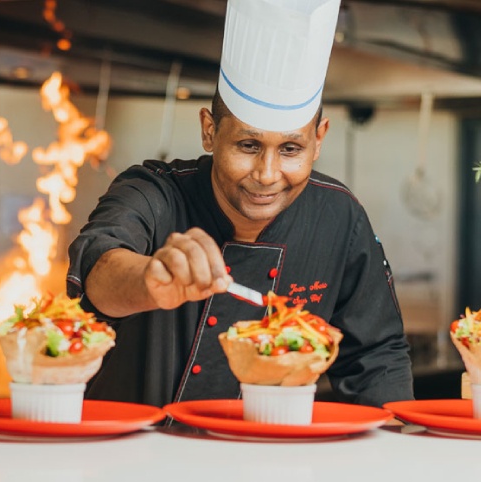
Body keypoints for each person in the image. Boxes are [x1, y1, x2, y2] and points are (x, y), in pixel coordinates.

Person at [66, 0, 414, 408]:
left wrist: (392, 441)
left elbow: (375, 357)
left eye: (290, 149)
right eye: (248, 145)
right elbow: (100, 271)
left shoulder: (338, 216)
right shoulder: (152, 192)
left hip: (269, 446)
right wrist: (151, 280)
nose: (267, 174)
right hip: (132, 445)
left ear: (318, 140)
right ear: (209, 131)